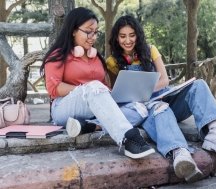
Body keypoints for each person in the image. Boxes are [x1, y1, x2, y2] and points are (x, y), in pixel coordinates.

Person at [107, 15, 216, 183]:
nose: (127, 40)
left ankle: (215, 132)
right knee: (160, 108)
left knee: (198, 85)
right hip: (146, 110)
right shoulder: (112, 62)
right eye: (122, 36)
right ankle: (180, 155)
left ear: (138, 35)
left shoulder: (150, 50)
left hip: (165, 96)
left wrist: (145, 90)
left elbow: (164, 80)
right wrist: (140, 99)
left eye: (131, 35)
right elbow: (117, 94)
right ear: (116, 38)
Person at [40, 7, 155, 159]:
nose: (93, 37)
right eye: (88, 31)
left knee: (140, 109)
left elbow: (104, 89)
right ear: (73, 30)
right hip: (63, 107)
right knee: (94, 87)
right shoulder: (58, 55)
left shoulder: (96, 58)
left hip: (93, 106)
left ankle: (89, 126)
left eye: (95, 32)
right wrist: (86, 91)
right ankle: (129, 139)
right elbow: (54, 88)